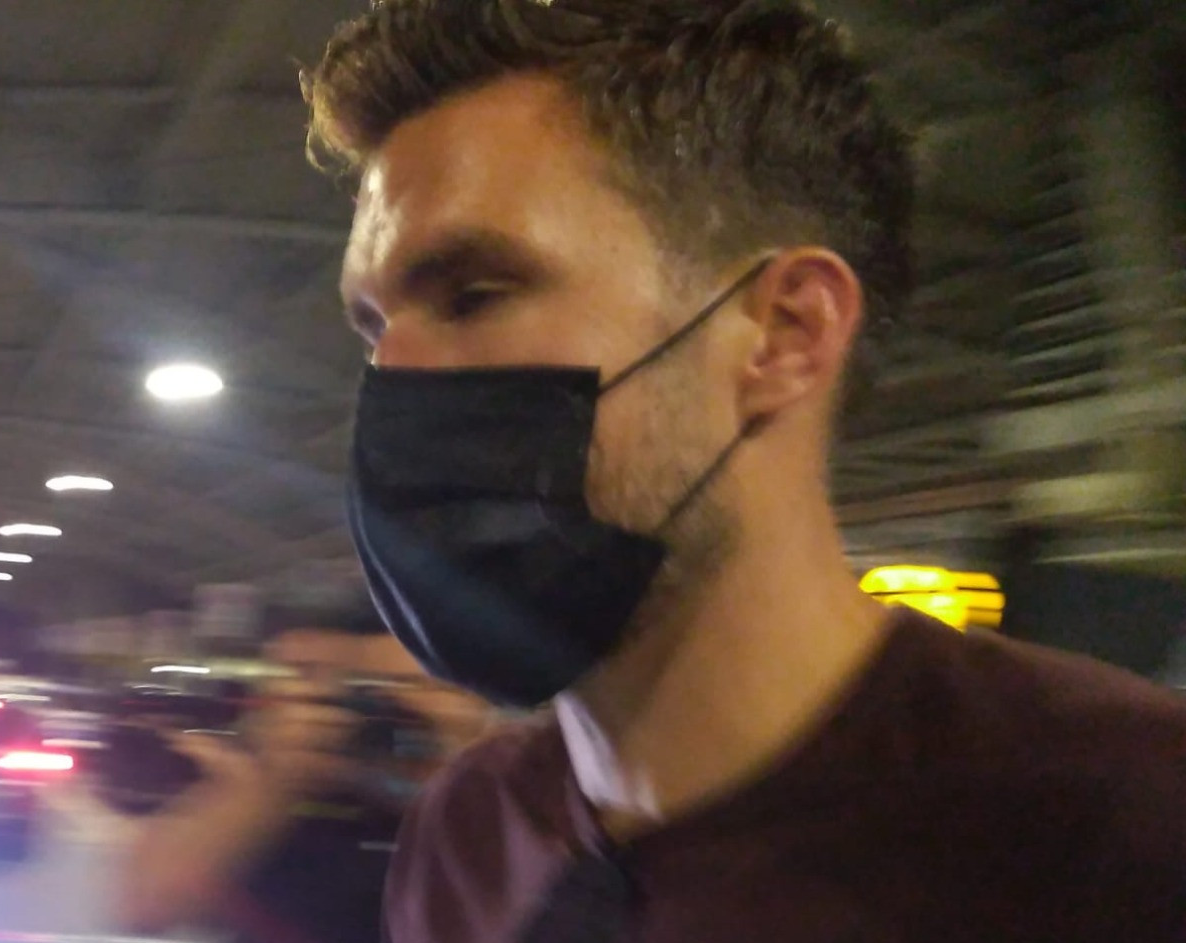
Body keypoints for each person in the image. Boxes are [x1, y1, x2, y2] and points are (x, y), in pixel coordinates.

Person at [298, 1, 1186, 941]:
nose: (388, 386)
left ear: (786, 333)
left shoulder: (1129, 832)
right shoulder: (462, 837)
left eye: (474, 296)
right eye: (374, 329)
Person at [114, 617, 490, 942]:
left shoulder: (491, 795)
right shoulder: (282, 795)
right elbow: (146, 905)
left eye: (430, 686)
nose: (403, 708)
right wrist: (270, 787)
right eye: (380, 690)